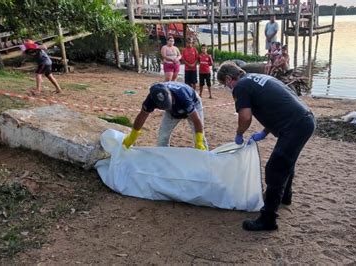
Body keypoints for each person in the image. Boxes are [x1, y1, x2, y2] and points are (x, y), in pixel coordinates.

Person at [217, 62, 315, 231]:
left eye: (225, 84)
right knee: (285, 161)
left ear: (228, 78)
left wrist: (239, 133)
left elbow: (245, 117)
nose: (228, 88)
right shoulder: (260, 78)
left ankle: (268, 219)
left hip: (295, 125)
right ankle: (285, 196)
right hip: (305, 119)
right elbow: (278, 106)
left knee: (275, 168)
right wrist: (264, 131)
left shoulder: (241, 86)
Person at [122, 82, 208, 151]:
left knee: (200, 138)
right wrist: (132, 135)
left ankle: (205, 158)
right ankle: (163, 160)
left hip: (194, 104)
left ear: (170, 94)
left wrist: (199, 141)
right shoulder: (150, 100)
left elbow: (196, 120)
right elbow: (142, 116)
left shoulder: (183, 97)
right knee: (162, 137)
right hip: (172, 112)